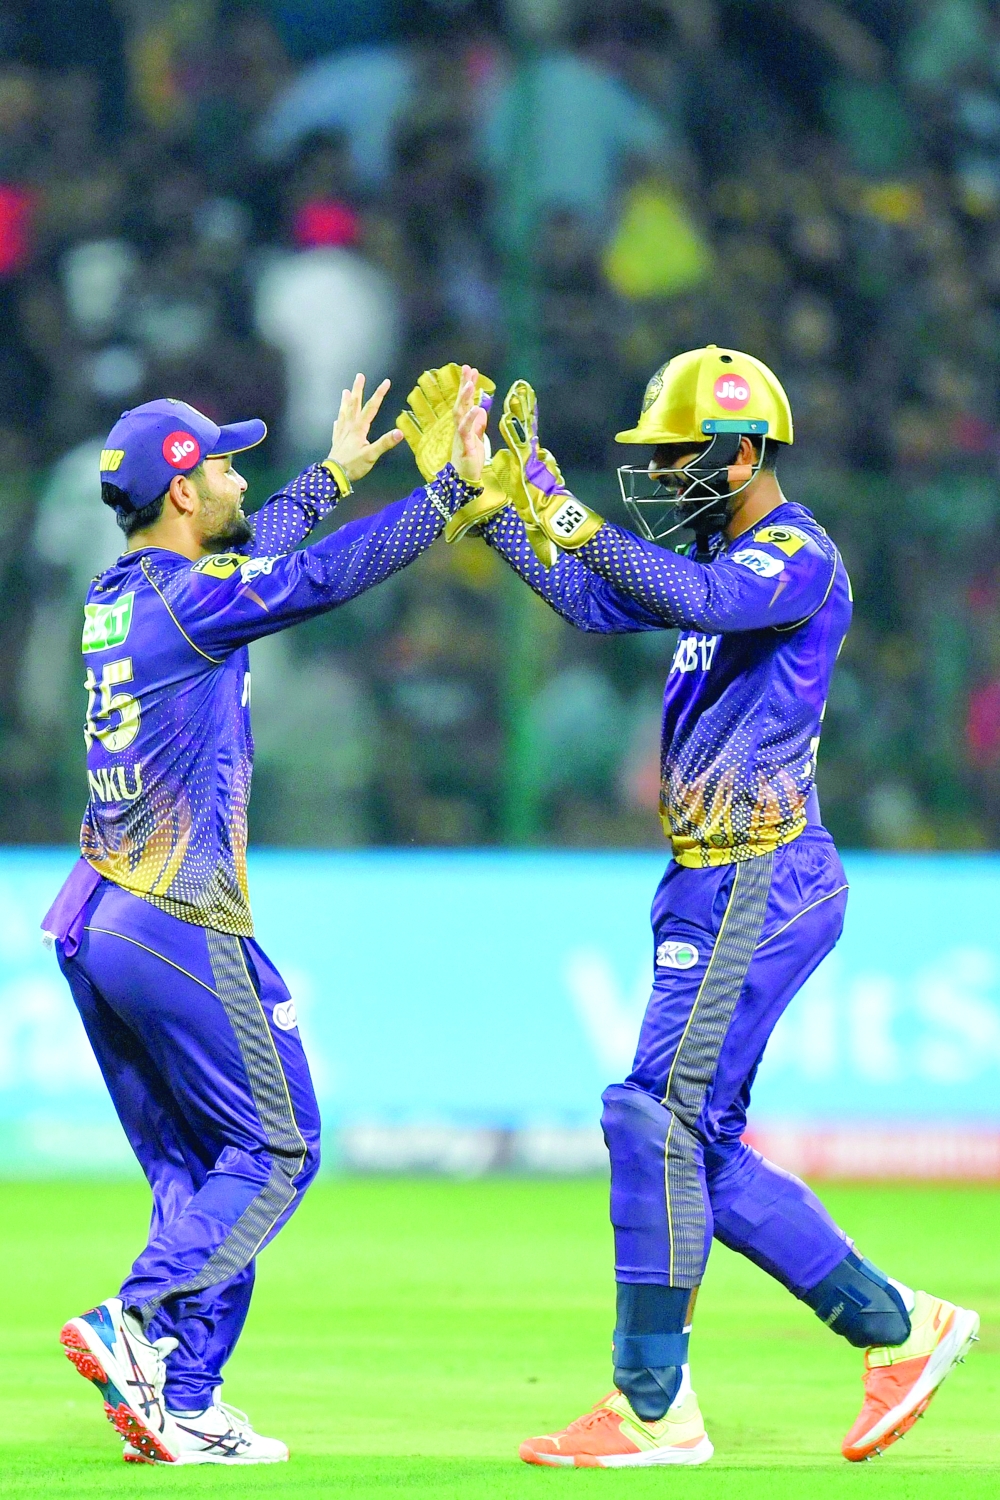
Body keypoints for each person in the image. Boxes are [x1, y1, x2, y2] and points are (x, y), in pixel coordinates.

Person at [447, 347, 980, 1467]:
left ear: (740, 454)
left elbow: (699, 598)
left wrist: (571, 515)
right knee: (698, 1144)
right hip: (709, 879)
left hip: (760, 873)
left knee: (649, 1116)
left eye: (676, 455)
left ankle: (652, 1405)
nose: (658, 474)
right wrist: (495, 511)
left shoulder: (791, 555)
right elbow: (594, 603)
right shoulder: (715, 554)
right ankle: (899, 1327)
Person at [44, 367, 489, 1465]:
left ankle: (184, 1400)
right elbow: (315, 579)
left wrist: (332, 474)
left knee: (200, 1173)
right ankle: (139, 1322)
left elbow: (262, 556)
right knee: (279, 1146)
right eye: (226, 466)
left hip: (96, 917)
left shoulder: (120, 596)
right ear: (183, 492)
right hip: (177, 912)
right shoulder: (192, 605)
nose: (243, 479)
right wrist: (446, 496)